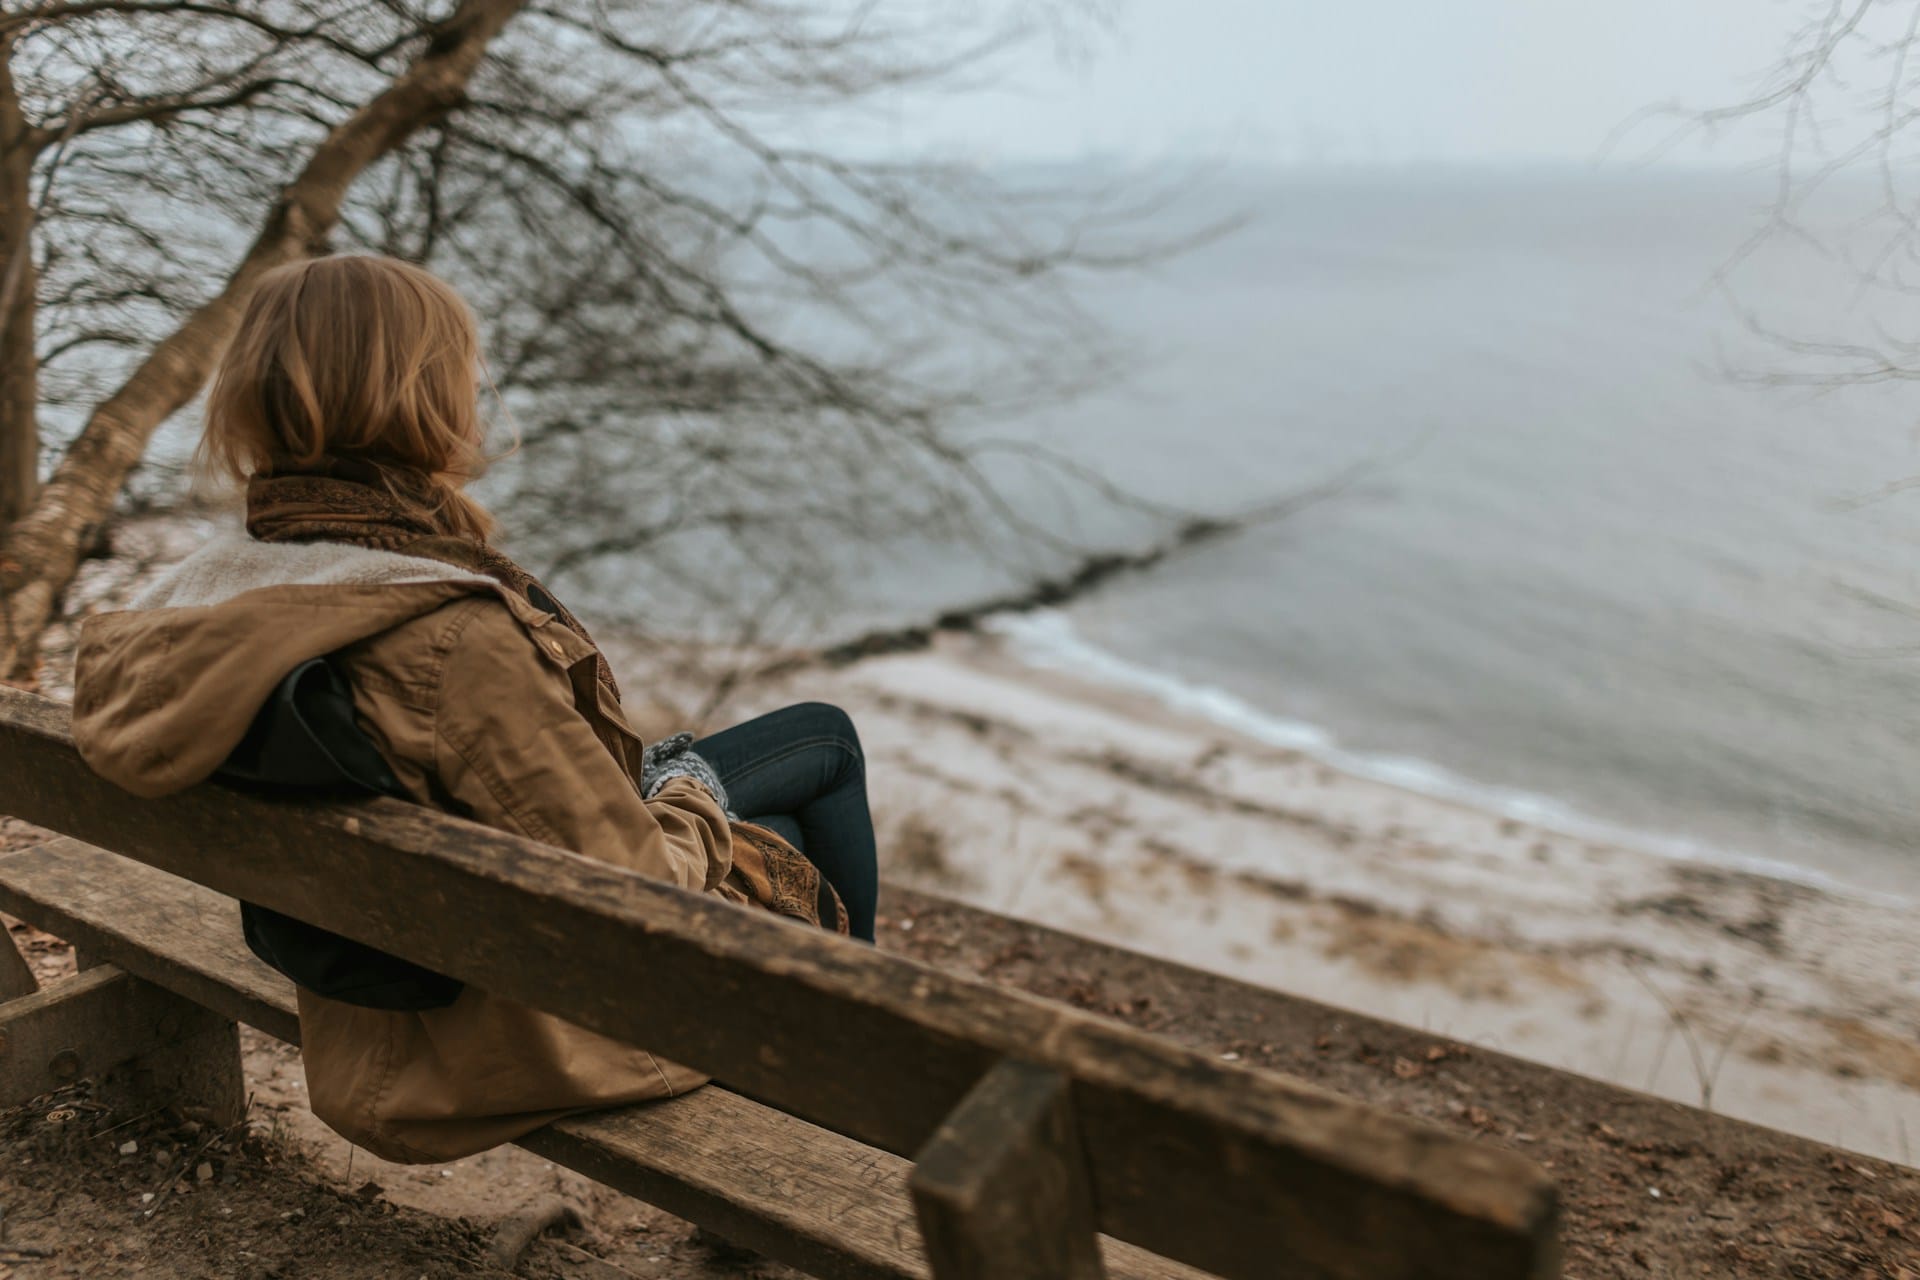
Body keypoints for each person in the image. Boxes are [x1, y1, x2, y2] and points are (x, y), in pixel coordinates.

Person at [67, 254, 880, 1164]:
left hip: (367, 1013)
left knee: (815, 738)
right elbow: (635, 892)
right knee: (807, 782)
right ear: (423, 396)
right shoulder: (449, 637)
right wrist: (687, 793)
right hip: (501, 1041)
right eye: (462, 375)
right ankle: (860, 1105)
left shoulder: (200, 596)